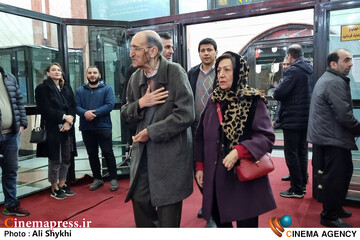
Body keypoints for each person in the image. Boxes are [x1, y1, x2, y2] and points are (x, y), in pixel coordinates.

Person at [121, 30, 194, 227]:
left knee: (168, 216)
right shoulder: (135, 78)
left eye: (136, 48)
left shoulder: (175, 72)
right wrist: (141, 104)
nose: (131, 53)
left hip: (170, 157)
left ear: (152, 51)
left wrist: (151, 132)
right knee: (140, 201)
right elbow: (125, 112)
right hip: (143, 155)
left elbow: (186, 114)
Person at [194, 51, 276, 227]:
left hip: (242, 177)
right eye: (219, 70)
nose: (221, 75)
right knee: (221, 223)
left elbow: (266, 137)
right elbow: (200, 136)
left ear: (238, 72)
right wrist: (200, 166)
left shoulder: (252, 100)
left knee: (246, 225)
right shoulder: (213, 100)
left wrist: (239, 151)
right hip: (216, 176)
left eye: (227, 70)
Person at [308, 49, 360, 228]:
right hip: (332, 138)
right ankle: (329, 216)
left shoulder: (330, 79)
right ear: (333, 64)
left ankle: (336, 208)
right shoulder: (334, 82)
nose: (351, 64)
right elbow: (344, 115)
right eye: (346, 60)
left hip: (329, 136)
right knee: (335, 179)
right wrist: (358, 128)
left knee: (344, 173)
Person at [273, 44, 313, 198]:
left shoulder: (293, 70)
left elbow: (278, 93)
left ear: (290, 55)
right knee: (302, 150)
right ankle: (302, 180)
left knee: (291, 153)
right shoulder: (309, 69)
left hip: (293, 118)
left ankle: (296, 188)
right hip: (305, 117)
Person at [35, 63, 77, 200]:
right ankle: (54, 187)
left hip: (67, 128)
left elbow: (72, 106)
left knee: (66, 158)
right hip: (52, 128)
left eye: (59, 70)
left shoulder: (66, 87)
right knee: (55, 159)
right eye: (53, 70)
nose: (57, 72)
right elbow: (45, 109)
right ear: (48, 73)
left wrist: (68, 122)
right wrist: (64, 117)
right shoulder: (42, 88)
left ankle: (62, 184)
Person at [187, 37, 217, 221]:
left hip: (216, 128)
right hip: (194, 127)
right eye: (202, 50)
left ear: (215, 52)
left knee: (214, 168)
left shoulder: (221, 71)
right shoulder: (191, 73)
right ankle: (207, 202)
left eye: (209, 50)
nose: (205, 53)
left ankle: (214, 205)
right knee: (196, 167)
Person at [75, 66, 118, 191]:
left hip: (103, 127)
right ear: (86, 75)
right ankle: (97, 178)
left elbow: (110, 105)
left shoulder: (107, 89)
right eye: (90, 73)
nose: (92, 75)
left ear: (99, 75)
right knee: (92, 154)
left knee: (108, 153)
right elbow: (76, 106)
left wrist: (93, 113)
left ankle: (113, 178)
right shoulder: (79, 91)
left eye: (95, 73)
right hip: (87, 127)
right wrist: (85, 113)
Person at [0, 65, 29, 216]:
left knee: (11, 171)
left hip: (12, 135)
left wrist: (22, 123)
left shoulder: (9, 77)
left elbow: (19, 101)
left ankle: (11, 206)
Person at [271, 57, 291, 181]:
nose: (285, 66)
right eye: (284, 64)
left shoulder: (291, 76)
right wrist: (277, 118)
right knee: (295, 151)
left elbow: (277, 94)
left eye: (287, 63)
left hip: (291, 120)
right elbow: (281, 103)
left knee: (292, 151)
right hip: (290, 118)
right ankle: (298, 176)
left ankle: (297, 182)